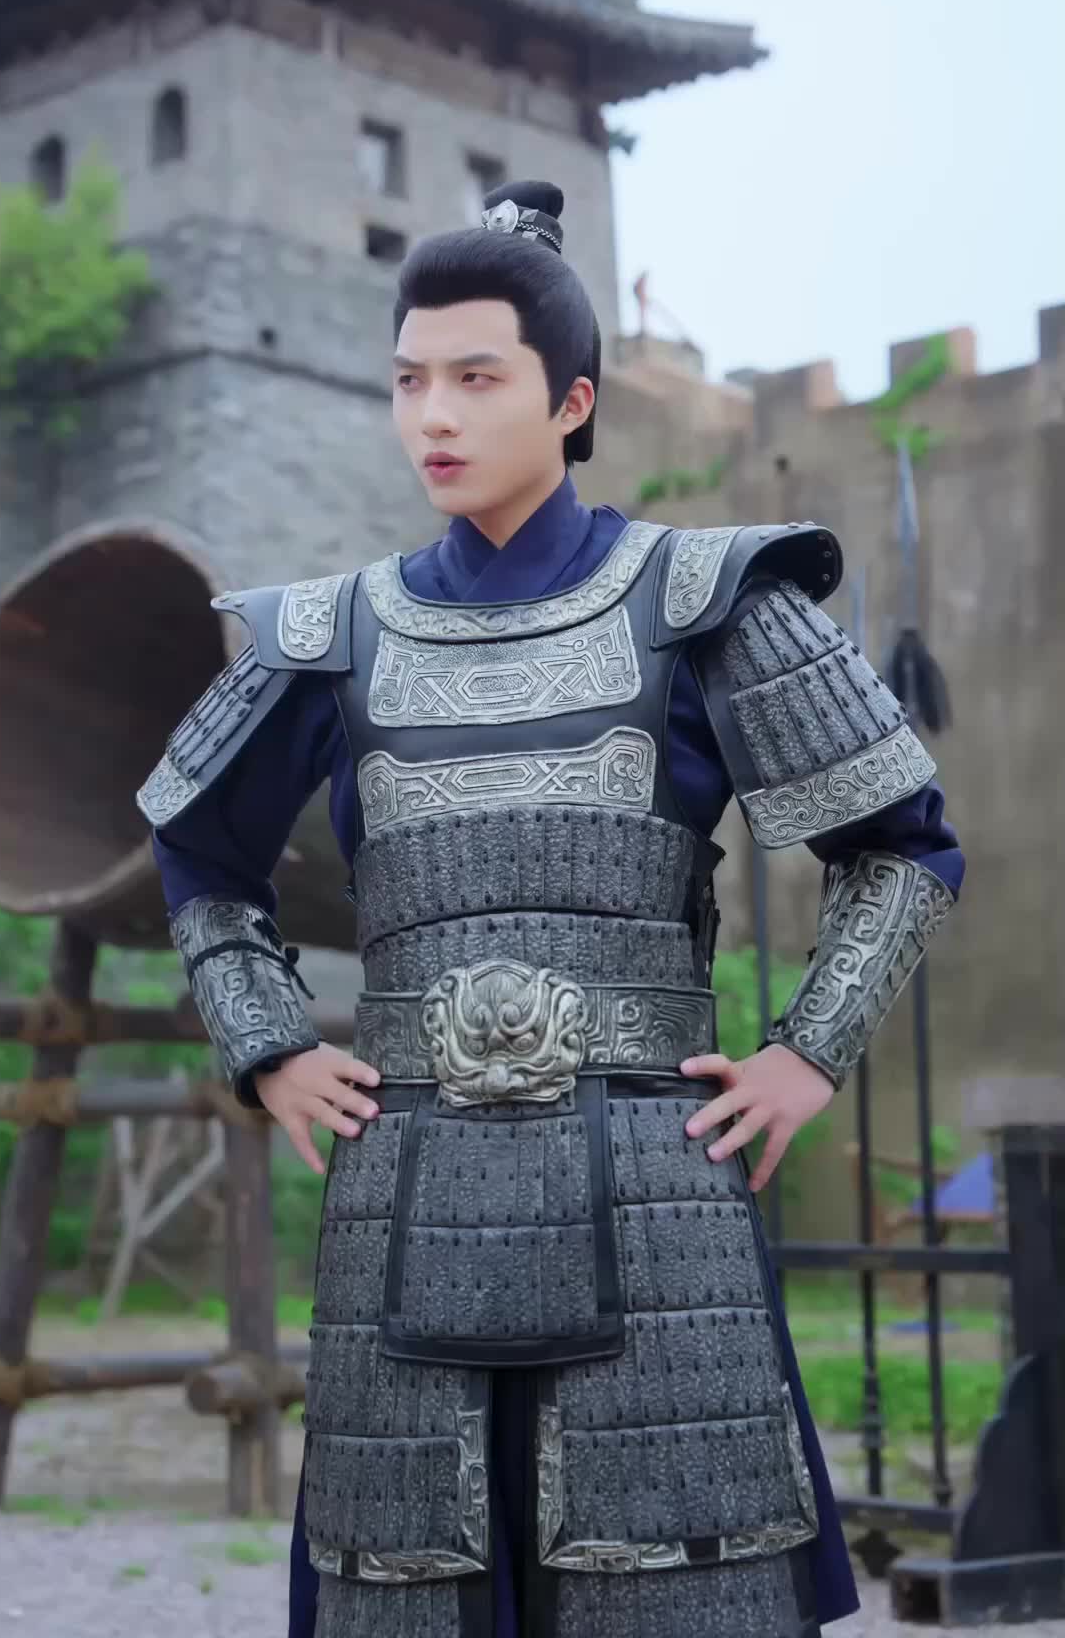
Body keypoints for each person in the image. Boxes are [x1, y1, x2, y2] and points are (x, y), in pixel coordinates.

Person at [138, 179, 964, 1638]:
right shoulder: (328, 635)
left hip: (653, 1187)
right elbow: (196, 850)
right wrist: (269, 1046)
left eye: (475, 378)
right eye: (409, 381)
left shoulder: (710, 600)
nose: (432, 416)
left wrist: (805, 1055)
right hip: (406, 1189)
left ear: (571, 401)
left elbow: (904, 846)